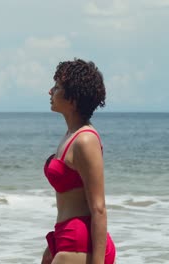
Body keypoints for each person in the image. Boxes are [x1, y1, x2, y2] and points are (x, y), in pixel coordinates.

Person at [41, 58, 116, 264]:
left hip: (80, 243)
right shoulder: (71, 134)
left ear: (72, 99)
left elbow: (98, 208)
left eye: (57, 87)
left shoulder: (85, 140)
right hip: (65, 238)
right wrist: (53, 245)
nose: (50, 92)